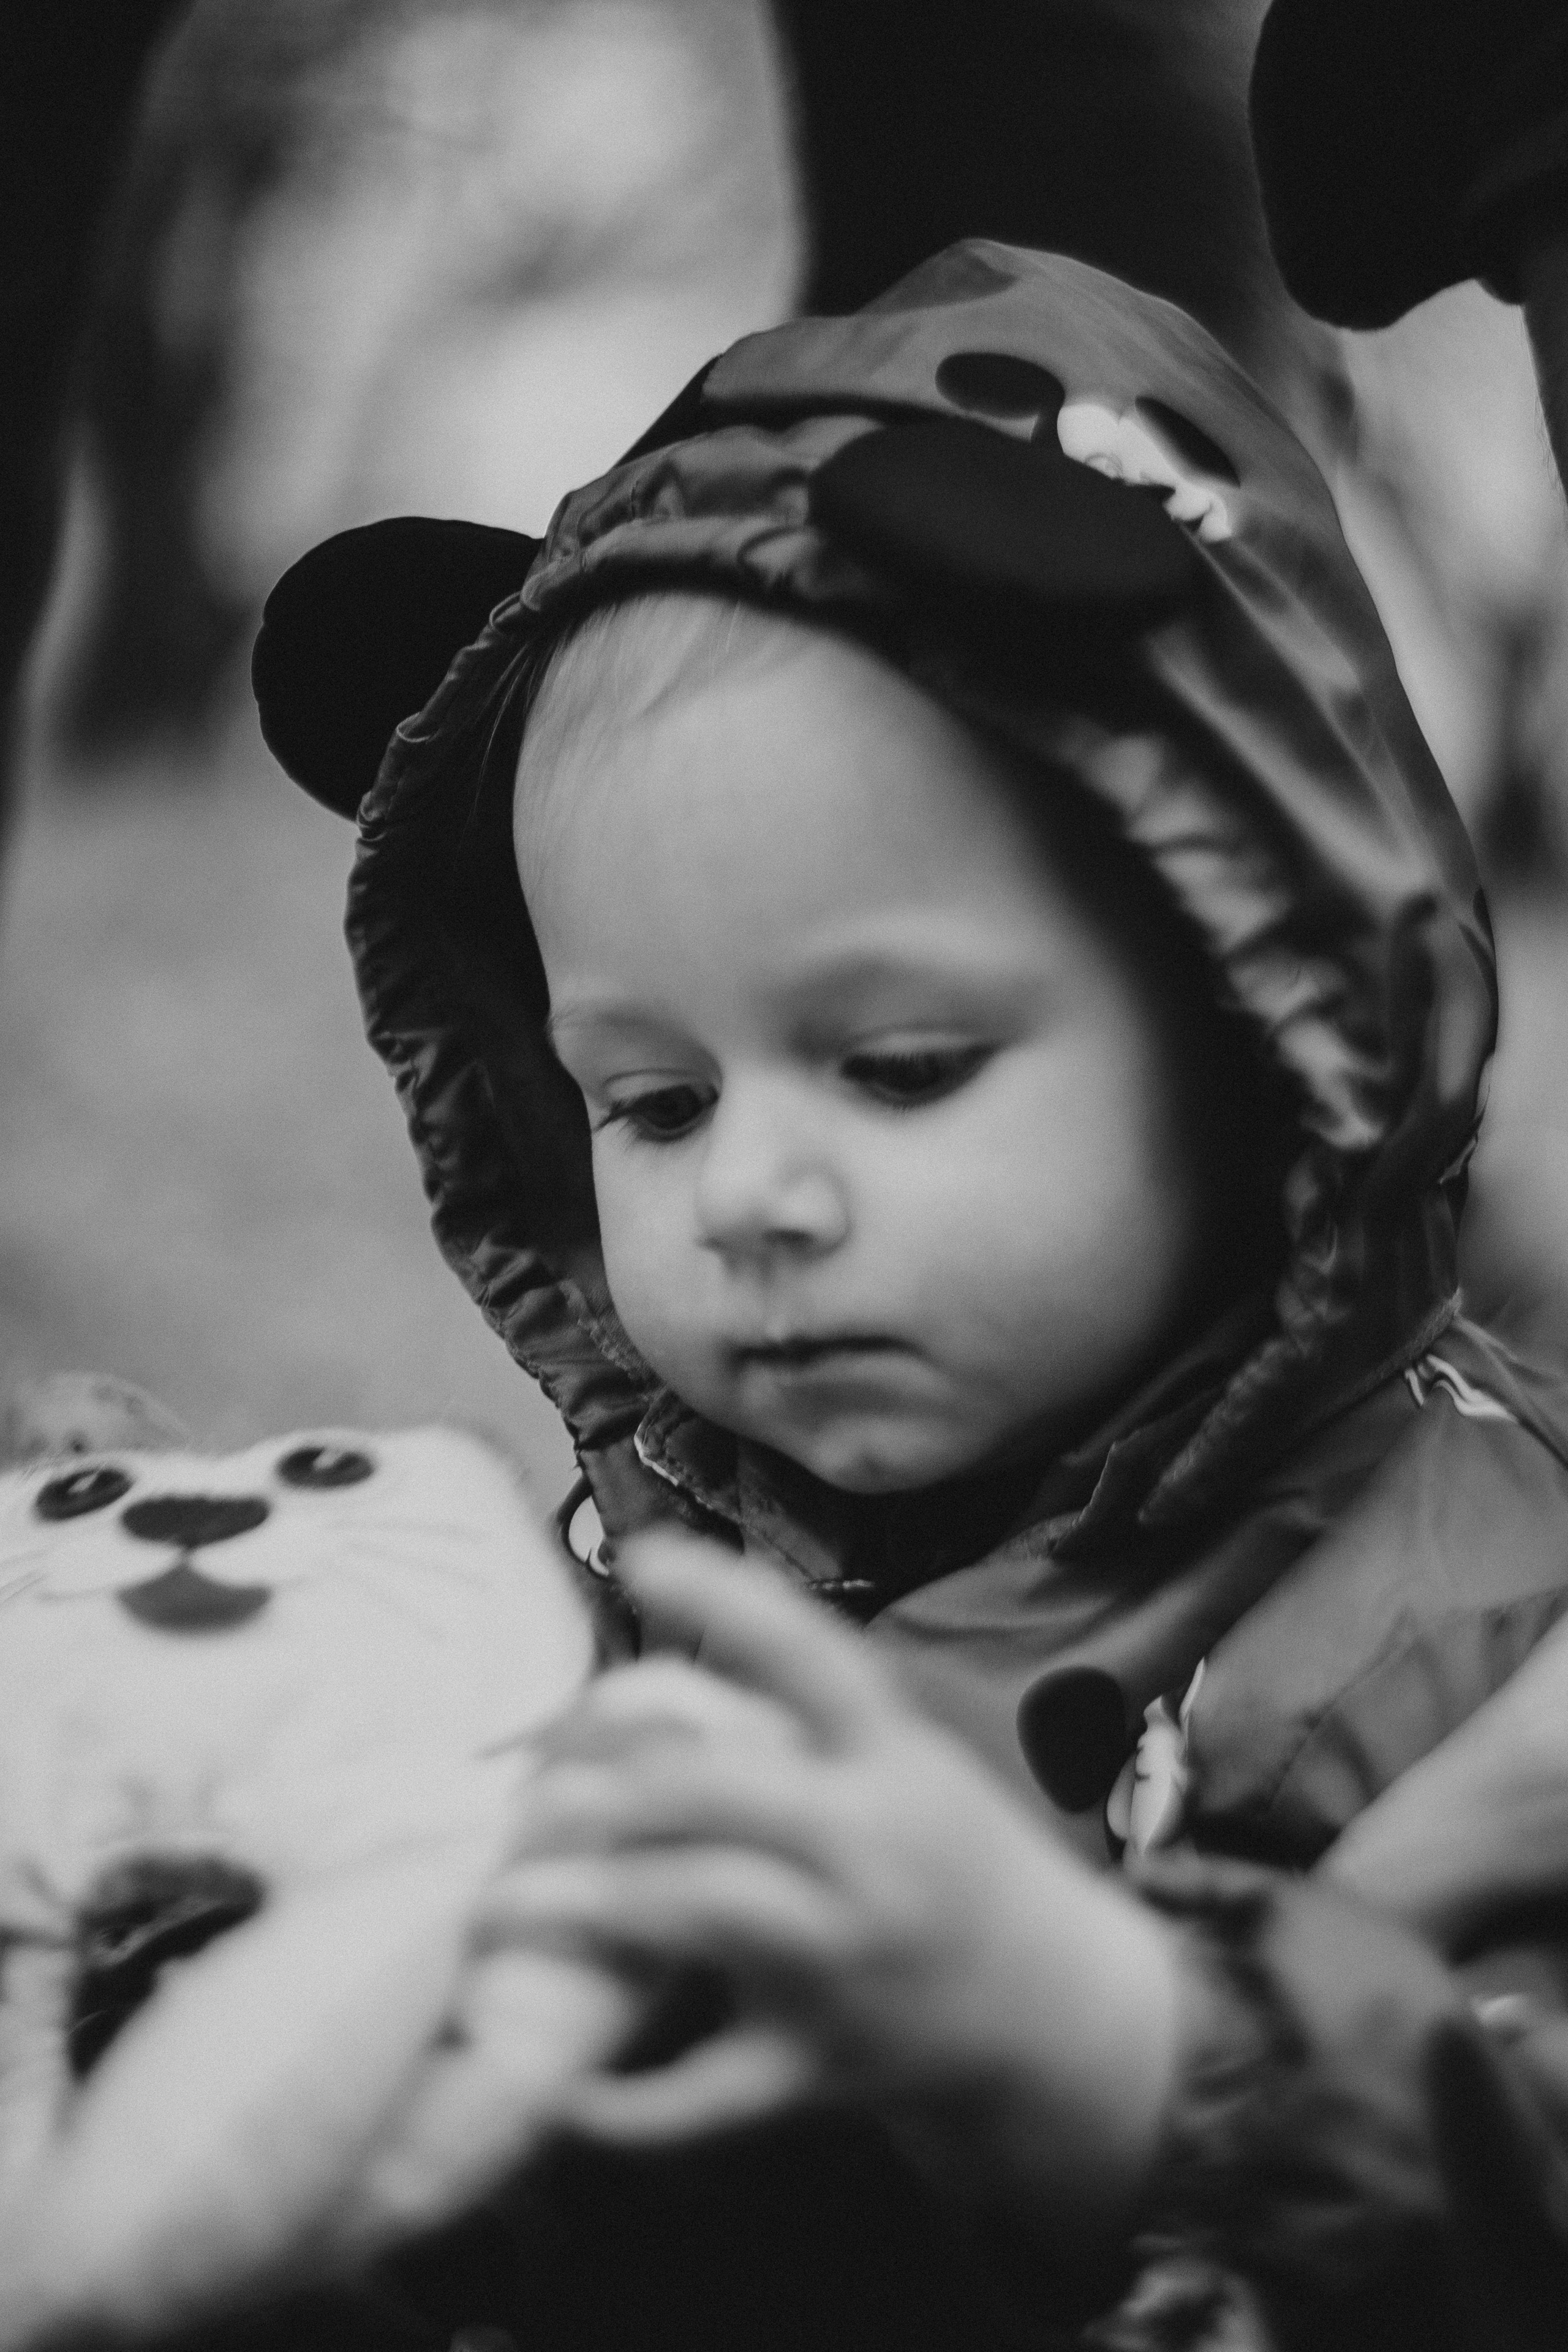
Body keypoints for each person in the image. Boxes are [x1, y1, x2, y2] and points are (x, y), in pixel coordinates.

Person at [253, 241, 1568, 2350]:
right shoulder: (648, 1553)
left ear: (1270, 1037)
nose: (756, 1195)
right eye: (655, 1101)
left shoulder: (1488, 1634)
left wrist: (1139, 2051)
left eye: (900, 1069)